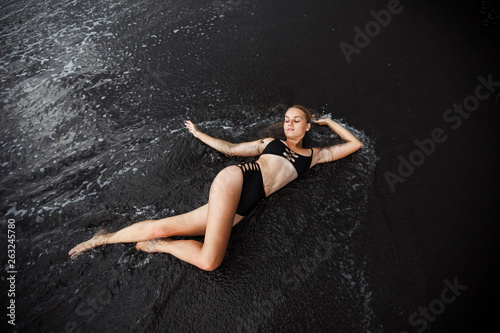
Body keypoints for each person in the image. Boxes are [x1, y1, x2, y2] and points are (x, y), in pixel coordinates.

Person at [68, 105, 363, 271]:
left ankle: (104, 238)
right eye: (287, 120)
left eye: (297, 120)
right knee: (210, 261)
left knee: (163, 225)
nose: (290, 124)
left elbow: (354, 145)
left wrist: (330, 121)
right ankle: (159, 247)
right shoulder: (270, 143)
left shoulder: (313, 157)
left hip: (244, 206)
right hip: (235, 181)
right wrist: (199, 134)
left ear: (307, 127)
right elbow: (232, 149)